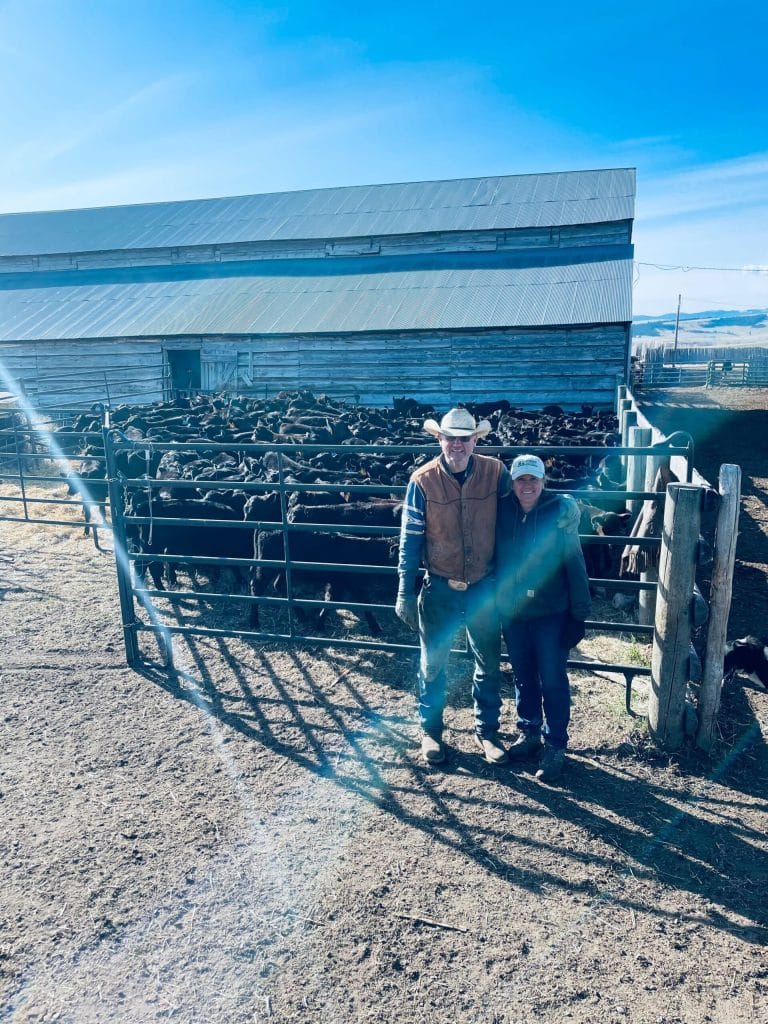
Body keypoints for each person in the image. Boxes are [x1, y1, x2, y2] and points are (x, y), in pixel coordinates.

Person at [395, 409, 578, 767]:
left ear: (475, 440)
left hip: (483, 585)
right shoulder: (422, 481)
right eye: (451, 438)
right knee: (432, 663)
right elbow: (410, 538)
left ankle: (487, 731)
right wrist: (404, 589)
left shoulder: (495, 472)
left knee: (488, 663)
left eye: (465, 438)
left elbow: (528, 496)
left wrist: (563, 501)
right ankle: (430, 730)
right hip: (440, 585)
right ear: (440, 439)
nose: (458, 445)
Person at [495, 453, 592, 783]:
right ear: (512, 483)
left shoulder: (559, 512)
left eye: (533, 479)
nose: (527, 485)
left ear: (543, 481)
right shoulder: (501, 510)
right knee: (523, 676)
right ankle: (529, 732)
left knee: (552, 679)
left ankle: (555, 745)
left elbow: (574, 562)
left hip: (551, 613)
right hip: (513, 612)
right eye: (521, 479)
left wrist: (578, 615)